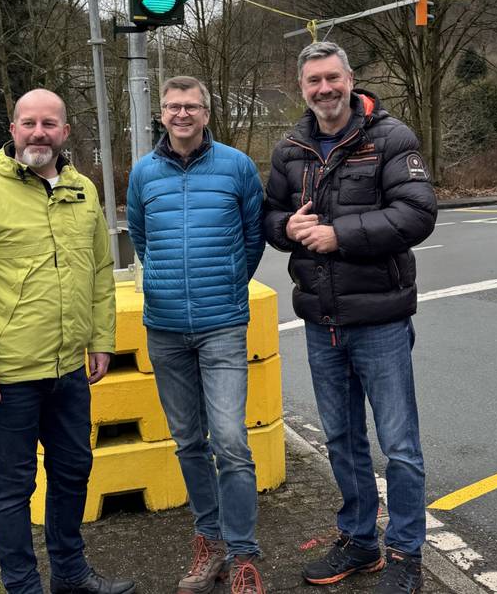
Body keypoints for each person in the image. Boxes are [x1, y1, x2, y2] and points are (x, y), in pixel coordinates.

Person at [0, 88, 134, 594]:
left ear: (65, 132)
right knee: (13, 486)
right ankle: (22, 586)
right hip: (9, 377)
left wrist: (101, 340)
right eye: (29, 123)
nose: (38, 133)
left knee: (72, 472)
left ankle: (70, 575)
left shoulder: (83, 191)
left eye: (49, 124)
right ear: (14, 130)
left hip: (70, 371)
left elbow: (98, 273)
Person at [264, 42, 436, 594]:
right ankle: (360, 540)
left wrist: (339, 235)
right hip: (321, 320)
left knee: (399, 445)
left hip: (380, 319)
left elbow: (417, 213)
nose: (324, 89)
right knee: (341, 438)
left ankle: (406, 554)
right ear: (302, 88)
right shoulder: (289, 148)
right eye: (313, 81)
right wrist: (286, 228)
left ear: (351, 79)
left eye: (332, 78)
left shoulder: (391, 138)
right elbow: (269, 217)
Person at [126, 76, 266, 594]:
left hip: (222, 326)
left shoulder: (237, 166)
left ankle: (245, 555)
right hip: (164, 329)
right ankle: (208, 544)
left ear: (206, 113)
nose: (181, 114)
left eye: (191, 106)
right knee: (188, 441)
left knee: (230, 441)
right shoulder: (142, 173)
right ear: (160, 115)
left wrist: (226, 286)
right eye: (172, 106)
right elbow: (141, 238)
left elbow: (253, 240)